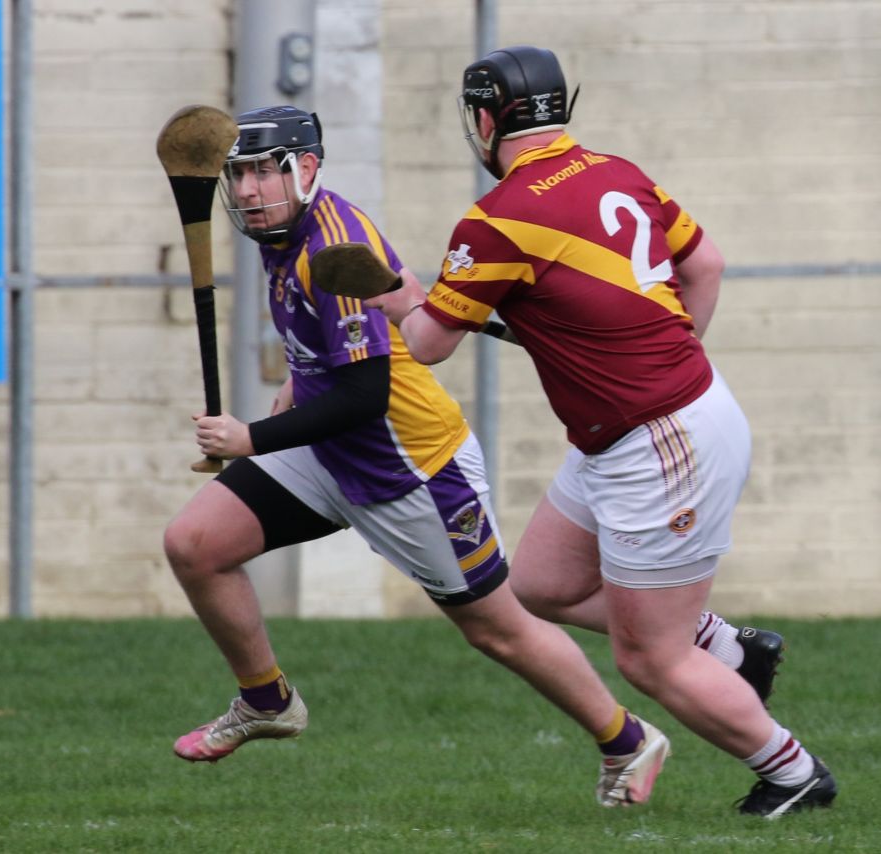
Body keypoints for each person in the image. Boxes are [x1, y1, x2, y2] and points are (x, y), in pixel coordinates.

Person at [163, 105, 787, 807]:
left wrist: (249, 437)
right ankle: (267, 699)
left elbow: (368, 394)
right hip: (326, 452)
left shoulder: (330, 241)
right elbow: (333, 359)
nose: (248, 191)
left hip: (413, 469)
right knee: (195, 543)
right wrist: (286, 398)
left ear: (306, 169)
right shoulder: (283, 239)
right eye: (238, 176)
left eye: (263, 173)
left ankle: (628, 740)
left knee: (501, 629)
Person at [364, 48, 839, 817]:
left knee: (649, 657)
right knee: (542, 586)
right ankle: (728, 648)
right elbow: (706, 266)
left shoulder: (497, 219)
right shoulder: (618, 170)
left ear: (485, 120)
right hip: (638, 428)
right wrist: (666, 359)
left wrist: (400, 303)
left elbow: (426, 345)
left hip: (661, 439)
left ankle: (792, 773)